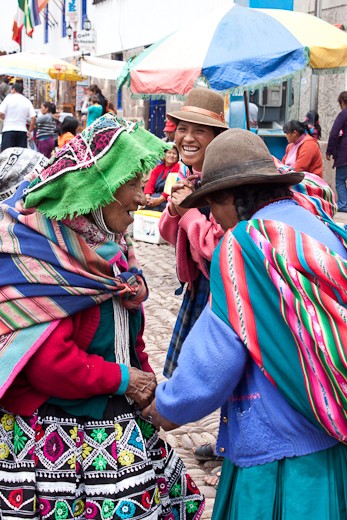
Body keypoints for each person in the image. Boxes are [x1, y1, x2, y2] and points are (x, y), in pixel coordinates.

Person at [0, 114, 204, 519]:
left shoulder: (110, 260)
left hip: (116, 418)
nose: (141, 197)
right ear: (98, 193)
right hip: (59, 432)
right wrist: (128, 380)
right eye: (131, 185)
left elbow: (128, 337)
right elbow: (48, 366)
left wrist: (146, 387)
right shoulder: (46, 266)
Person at [143, 128, 347, 520]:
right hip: (331, 431)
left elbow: (215, 358)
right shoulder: (321, 230)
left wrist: (168, 405)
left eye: (211, 206)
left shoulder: (243, 246)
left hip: (278, 453)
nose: (213, 218)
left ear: (229, 197)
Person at [0, 82, 36, 152]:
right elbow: (33, 118)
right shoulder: (27, 101)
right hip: (22, 131)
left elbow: (1, 112)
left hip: (8, 130)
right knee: (21, 156)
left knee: (6, 154)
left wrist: (4, 118)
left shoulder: (8, 99)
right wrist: (30, 131)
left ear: (14, 89)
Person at [326, 91, 347, 212]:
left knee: (340, 180)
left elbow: (334, 133)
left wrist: (329, 150)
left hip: (344, 153)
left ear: (342, 102)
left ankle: (343, 205)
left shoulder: (343, 114)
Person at [144, 144, 181, 211]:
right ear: (164, 154)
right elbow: (150, 184)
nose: (171, 155)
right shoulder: (158, 168)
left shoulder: (178, 168)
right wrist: (147, 196)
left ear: (178, 157)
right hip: (155, 197)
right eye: (169, 153)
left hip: (168, 198)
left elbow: (170, 189)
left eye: (174, 153)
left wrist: (159, 200)